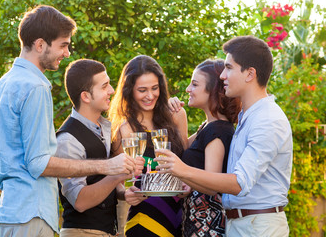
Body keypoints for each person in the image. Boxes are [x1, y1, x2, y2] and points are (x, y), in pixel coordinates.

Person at [0, 5, 136, 237]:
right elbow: (39, 163)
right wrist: (106, 166)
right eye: (63, 45)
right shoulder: (36, 86)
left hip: (11, 215)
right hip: (34, 215)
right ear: (40, 44)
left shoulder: (3, 83)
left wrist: (16, 194)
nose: (67, 53)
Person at [156, 35, 293, 237]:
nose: (222, 76)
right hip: (240, 223)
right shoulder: (247, 116)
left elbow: (239, 183)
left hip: (258, 226)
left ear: (250, 74)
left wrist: (183, 170)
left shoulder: (267, 119)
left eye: (229, 68)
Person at [55, 59, 145, 237]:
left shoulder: (105, 127)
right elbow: (79, 201)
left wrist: (124, 193)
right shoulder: (67, 139)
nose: (111, 91)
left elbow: (101, 181)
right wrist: (119, 174)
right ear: (86, 96)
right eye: (104, 87)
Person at [108, 55, 188, 237]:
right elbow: (119, 180)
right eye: (142, 90)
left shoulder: (176, 115)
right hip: (145, 220)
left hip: (182, 217)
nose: (150, 96)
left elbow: (186, 159)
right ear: (129, 91)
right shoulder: (125, 129)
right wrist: (125, 193)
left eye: (155, 88)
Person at [168, 59, 241, 236]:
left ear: (213, 91)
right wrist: (179, 116)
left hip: (207, 227)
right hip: (196, 222)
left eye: (194, 84)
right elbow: (184, 148)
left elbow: (211, 184)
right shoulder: (208, 126)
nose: (188, 90)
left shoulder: (217, 130)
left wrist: (182, 172)